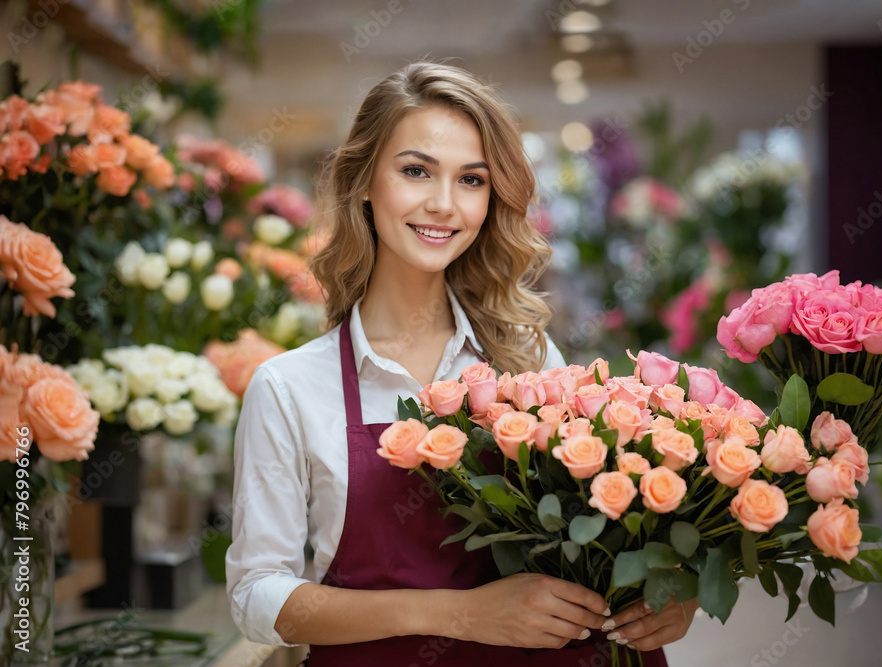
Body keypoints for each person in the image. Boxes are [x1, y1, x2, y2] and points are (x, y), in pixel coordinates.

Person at [225, 61, 697, 666]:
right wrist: (460, 614)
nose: (444, 204)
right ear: (364, 182)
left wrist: (661, 597)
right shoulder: (290, 387)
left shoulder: (529, 360)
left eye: (471, 180)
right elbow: (257, 597)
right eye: (416, 171)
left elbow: (589, 546)